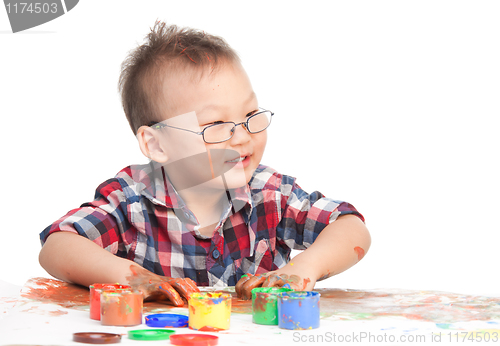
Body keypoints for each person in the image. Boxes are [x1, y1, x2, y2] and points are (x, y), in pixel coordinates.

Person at [39, 21, 371, 306]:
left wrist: (302, 268)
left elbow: (351, 227)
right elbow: (58, 247)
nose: (242, 137)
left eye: (249, 115)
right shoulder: (133, 199)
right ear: (156, 143)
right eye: (216, 127)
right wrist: (136, 279)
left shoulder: (270, 194)